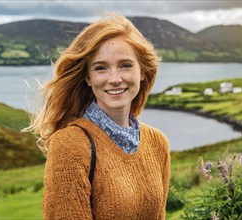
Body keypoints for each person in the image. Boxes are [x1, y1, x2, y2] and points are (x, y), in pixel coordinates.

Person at [25, 13, 170, 219]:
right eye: (101, 68)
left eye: (125, 65)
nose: (114, 79)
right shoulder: (70, 145)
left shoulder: (157, 143)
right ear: (88, 78)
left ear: (142, 72)